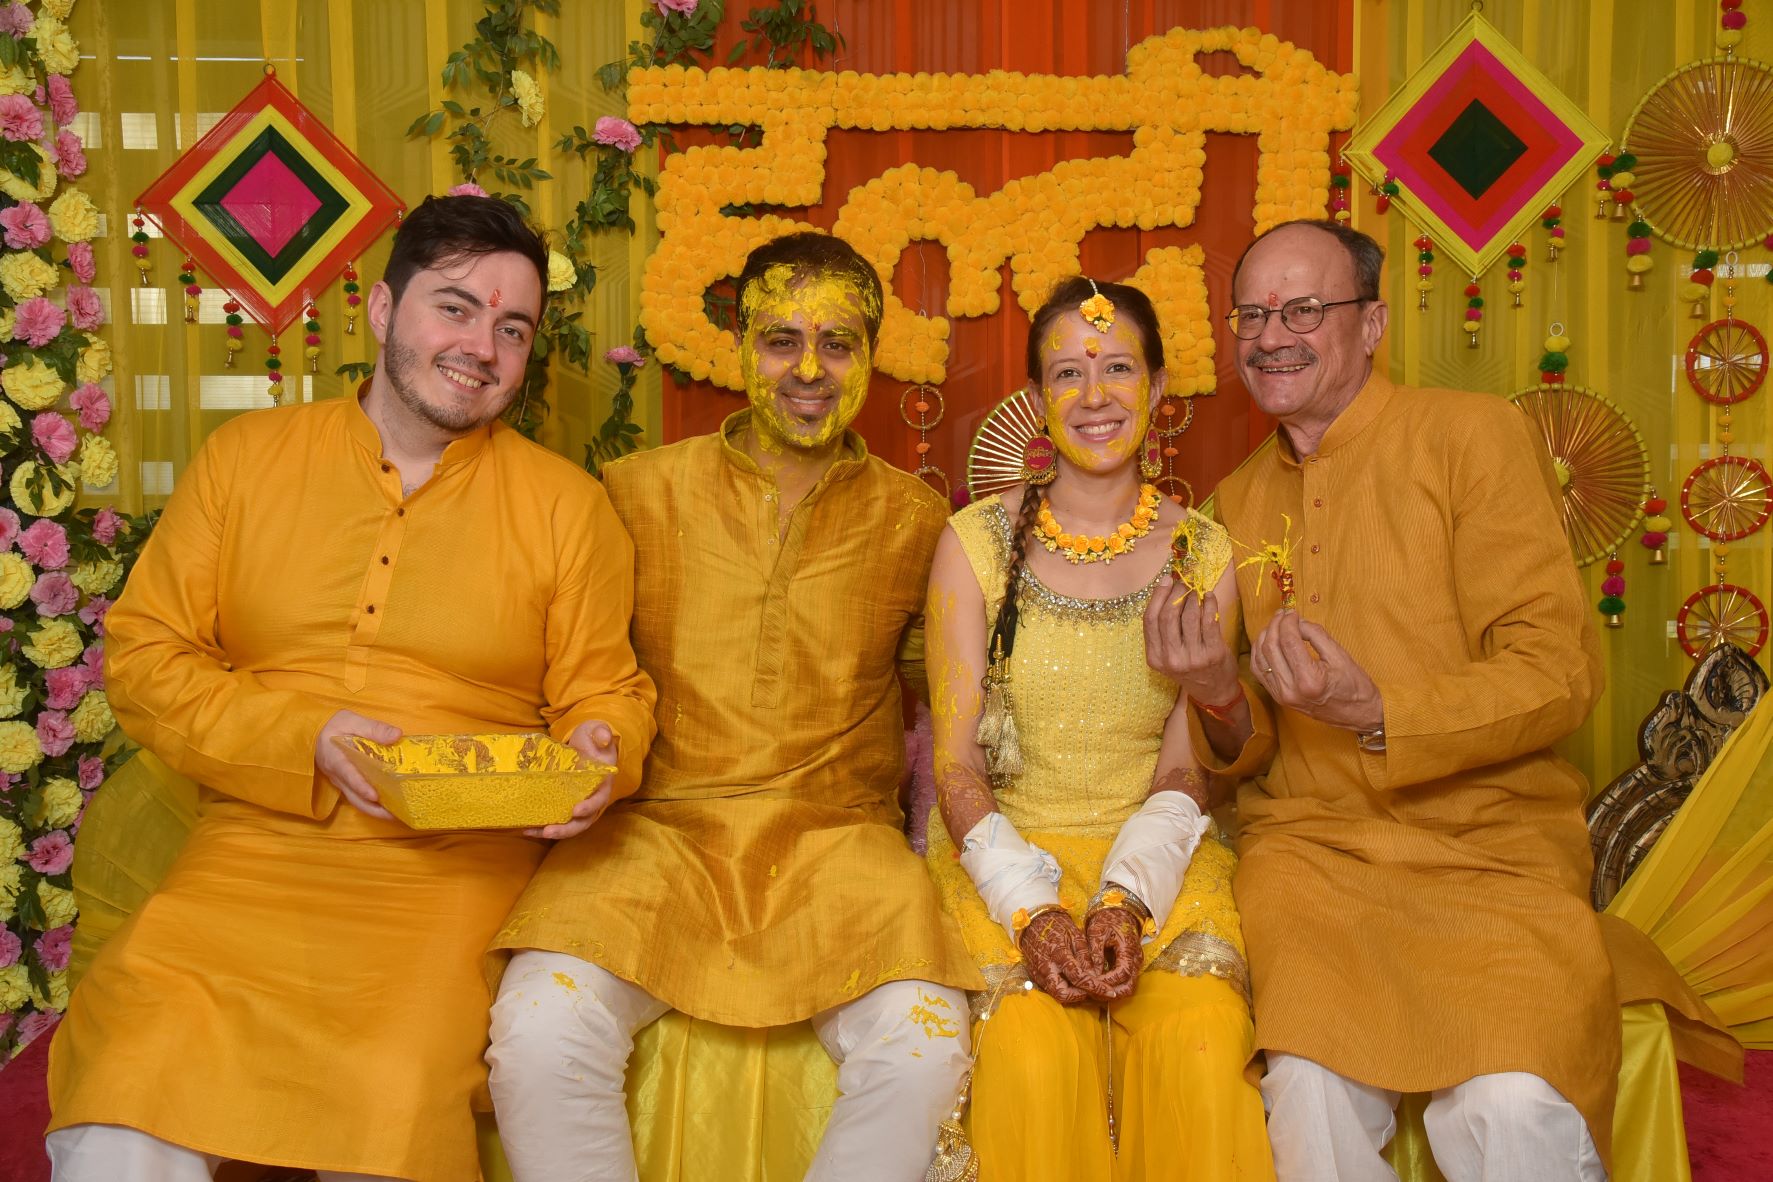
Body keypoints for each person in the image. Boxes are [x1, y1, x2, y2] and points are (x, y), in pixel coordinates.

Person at [45, 194, 658, 1182]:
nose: (482, 347)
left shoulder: (568, 510)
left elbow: (606, 692)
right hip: (251, 850)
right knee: (131, 1072)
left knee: (392, 1090)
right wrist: (305, 737)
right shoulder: (247, 461)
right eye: (454, 308)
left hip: (451, 871)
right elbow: (147, 658)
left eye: (512, 329)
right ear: (381, 309)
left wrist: (602, 750)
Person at [485, 230, 980, 1182]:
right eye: (780, 340)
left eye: (837, 344)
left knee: (922, 1046)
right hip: (652, 840)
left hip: (838, 848)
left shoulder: (917, 520)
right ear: (739, 348)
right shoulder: (634, 493)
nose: (809, 371)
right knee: (539, 1031)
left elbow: (970, 692)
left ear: (873, 355)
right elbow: (562, 667)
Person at [1147, 218, 1615, 1181]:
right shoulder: (1233, 502)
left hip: (1489, 848)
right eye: (1251, 316)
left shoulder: (1470, 437)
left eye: (1303, 310)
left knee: (1512, 1104)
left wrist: (1378, 710)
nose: (1271, 337)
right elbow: (1252, 748)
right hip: (1313, 857)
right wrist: (1216, 692)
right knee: (1306, 1089)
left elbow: (1557, 669)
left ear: (1371, 325)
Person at [923, 275, 1274, 1181]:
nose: (1094, 396)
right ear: (1037, 395)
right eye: (1068, 373)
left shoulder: (1203, 553)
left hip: (1155, 865)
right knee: (1034, 1057)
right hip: (1001, 866)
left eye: (1117, 368)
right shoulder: (974, 542)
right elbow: (956, 767)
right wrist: (1032, 910)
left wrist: (1125, 899)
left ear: (1157, 388)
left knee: (1200, 1043)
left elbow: (1185, 771)